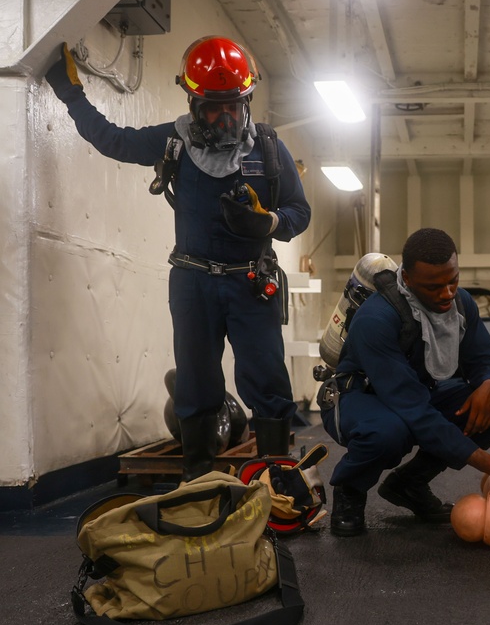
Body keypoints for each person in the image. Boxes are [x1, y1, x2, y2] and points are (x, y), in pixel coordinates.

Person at [45, 37, 311, 481]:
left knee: (267, 378)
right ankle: (199, 480)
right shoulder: (174, 142)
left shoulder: (268, 150)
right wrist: (72, 95)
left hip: (251, 282)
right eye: (212, 108)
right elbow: (112, 139)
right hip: (193, 282)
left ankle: (278, 476)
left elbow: (299, 213)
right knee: (196, 381)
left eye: (234, 106)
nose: (225, 118)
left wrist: (268, 224)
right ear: (192, 102)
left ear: (246, 100)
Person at [322, 228, 490, 537]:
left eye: (453, 281)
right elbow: (413, 410)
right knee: (390, 432)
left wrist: (489, 384)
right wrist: (488, 463)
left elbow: (484, 358)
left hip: (415, 393)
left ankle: (409, 484)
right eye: (434, 286)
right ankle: (350, 491)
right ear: (405, 278)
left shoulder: (461, 305)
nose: (447, 293)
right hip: (360, 397)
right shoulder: (376, 320)